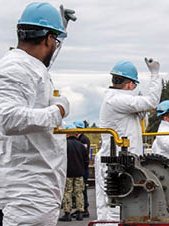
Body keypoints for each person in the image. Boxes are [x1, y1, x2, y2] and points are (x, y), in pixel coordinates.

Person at [0, 2, 72, 225]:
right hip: (26, 192)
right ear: (48, 39)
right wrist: (57, 111)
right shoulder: (14, 69)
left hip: (32, 189)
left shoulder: (25, 66)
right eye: (55, 41)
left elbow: (36, 74)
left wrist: (60, 25)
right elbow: (9, 119)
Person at [95, 58, 162, 223]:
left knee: (119, 207)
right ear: (130, 84)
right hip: (117, 162)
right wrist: (155, 74)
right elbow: (152, 101)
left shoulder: (117, 100)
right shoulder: (117, 99)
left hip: (122, 161)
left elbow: (141, 111)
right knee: (115, 209)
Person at [59, 124, 88, 221]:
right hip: (79, 173)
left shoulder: (64, 145)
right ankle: (80, 213)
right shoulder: (81, 146)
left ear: (67, 134)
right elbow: (86, 161)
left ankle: (67, 213)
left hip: (68, 173)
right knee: (79, 193)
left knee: (67, 192)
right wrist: (83, 170)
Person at [73, 120, 90, 218]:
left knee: (83, 189)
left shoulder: (84, 139)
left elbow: (83, 154)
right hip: (79, 168)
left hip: (83, 169)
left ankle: (85, 209)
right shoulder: (79, 139)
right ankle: (80, 208)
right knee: (78, 190)